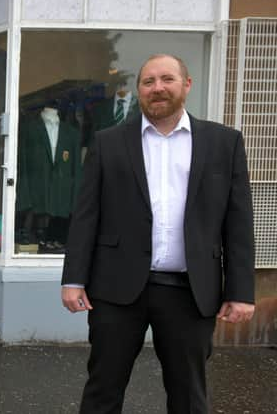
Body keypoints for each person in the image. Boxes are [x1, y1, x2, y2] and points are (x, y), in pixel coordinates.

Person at [61, 54, 255, 414]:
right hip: (116, 290)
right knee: (103, 389)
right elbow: (86, 216)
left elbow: (238, 221)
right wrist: (73, 278)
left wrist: (241, 291)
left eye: (167, 79)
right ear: (139, 91)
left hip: (190, 290)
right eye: (148, 82)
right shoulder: (108, 142)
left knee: (189, 395)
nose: (157, 88)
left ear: (187, 84)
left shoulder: (223, 143)